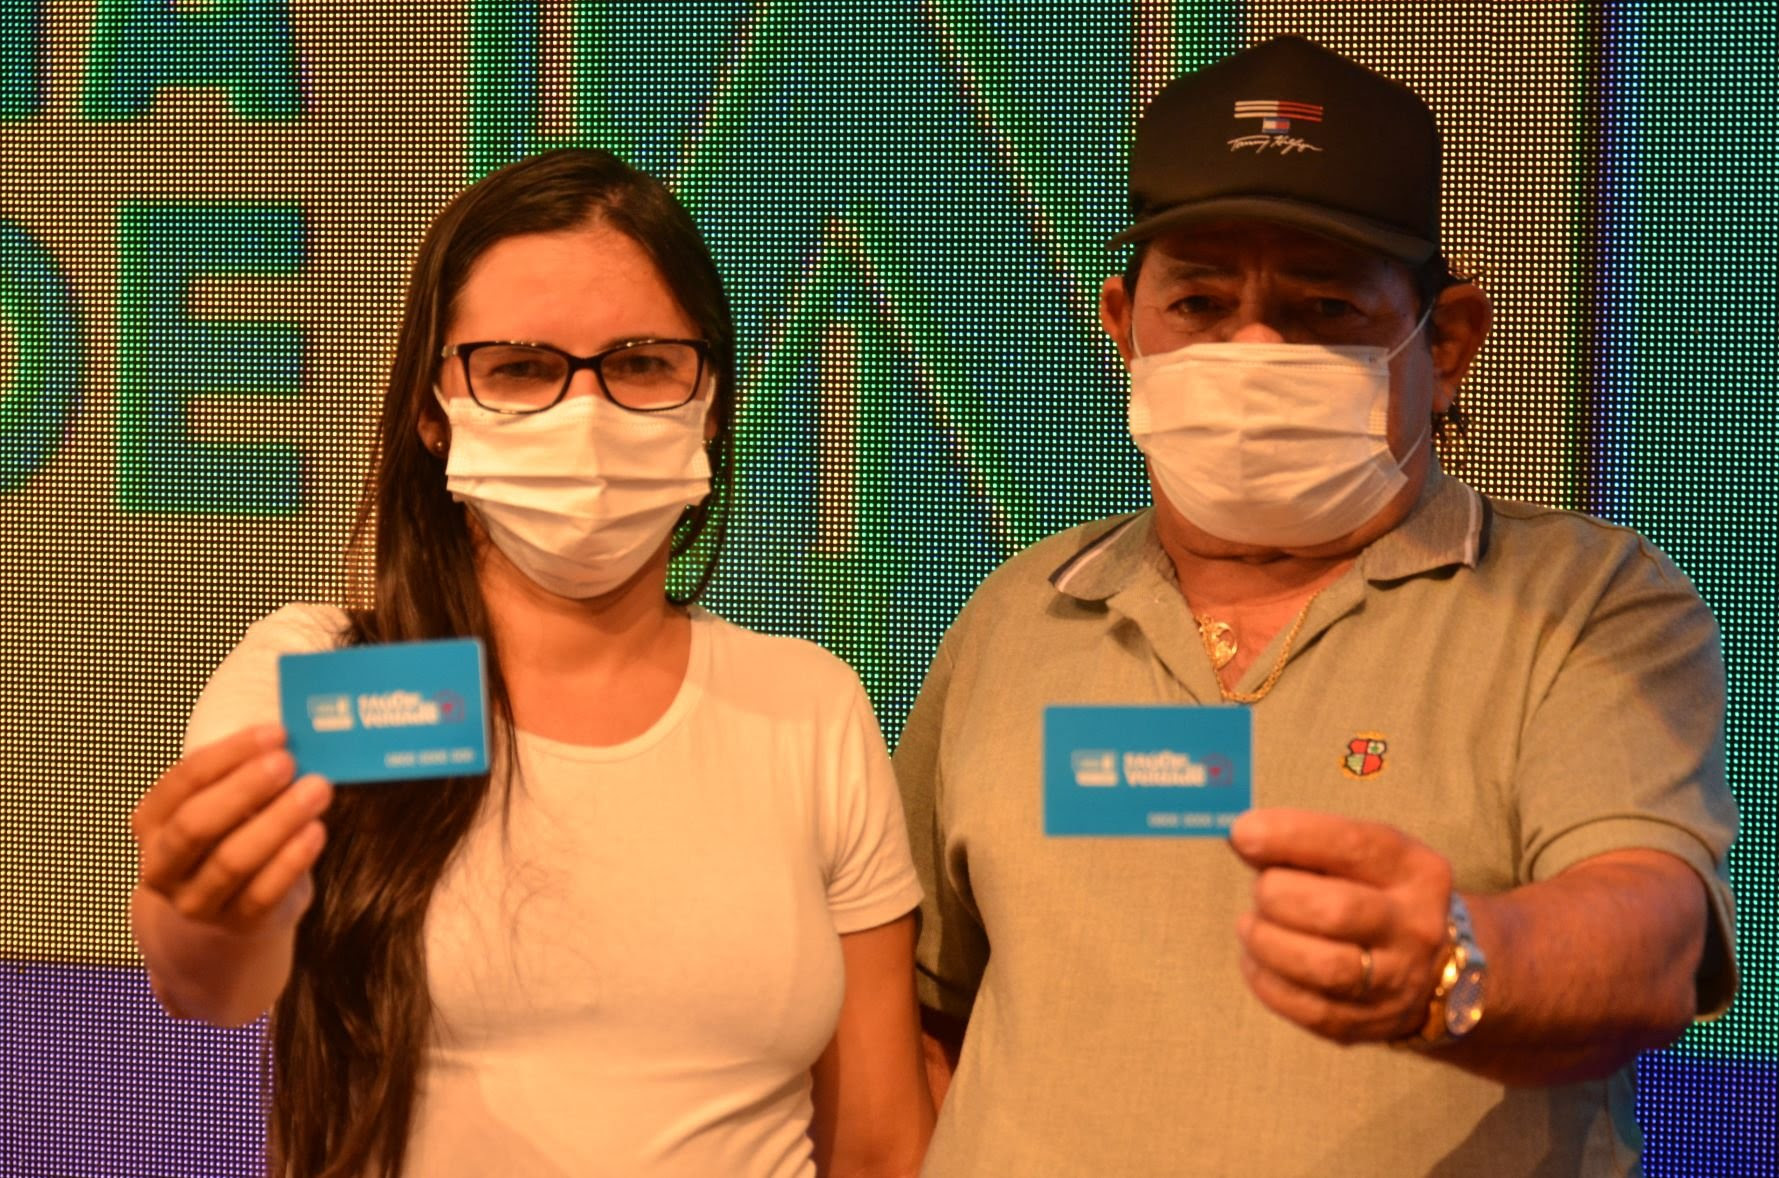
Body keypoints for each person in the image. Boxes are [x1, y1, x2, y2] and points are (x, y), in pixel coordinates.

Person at [896, 36, 1738, 1177]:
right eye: (1200, 301)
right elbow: (924, 1015)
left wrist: (1454, 962)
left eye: (1321, 305)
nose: (1252, 348)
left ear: (1447, 342)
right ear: (1124, 326)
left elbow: (1651, 937)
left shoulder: (1584, 603)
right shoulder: (1018, 613)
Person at [129, 148, 933, 1178]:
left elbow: (879, 1143)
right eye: (520, 368)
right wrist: (203, 909)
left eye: (642, 363)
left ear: (710, 399)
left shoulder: (807, 703)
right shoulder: (320, 671)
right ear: (433, 411)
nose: (583, 413)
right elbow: (211, 982)